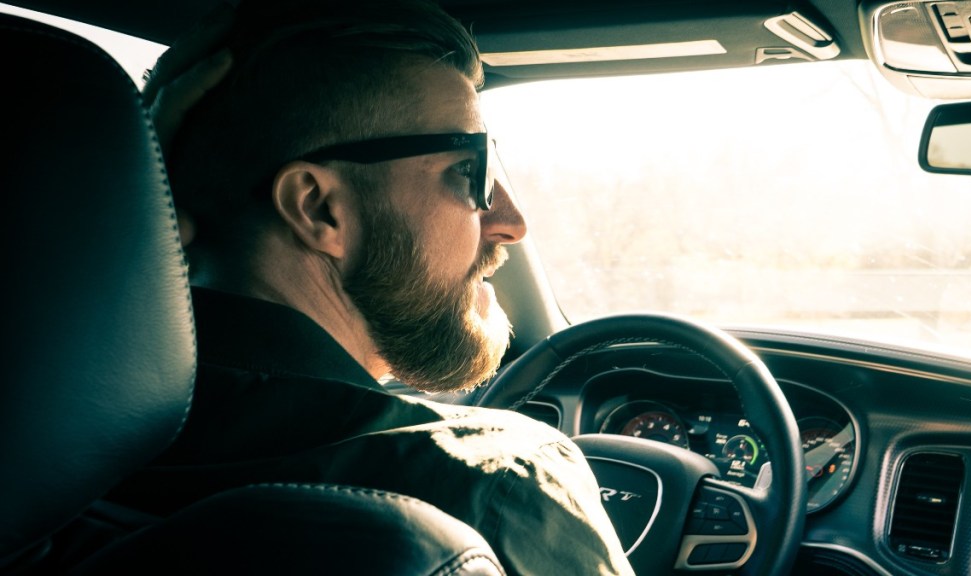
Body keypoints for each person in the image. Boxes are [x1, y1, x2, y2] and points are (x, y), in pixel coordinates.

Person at [108, 1, 635, 574]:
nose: (511, 221)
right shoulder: (498, 484)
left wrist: (123, 227)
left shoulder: (49, 446)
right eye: (470, 171)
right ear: (318, 207)